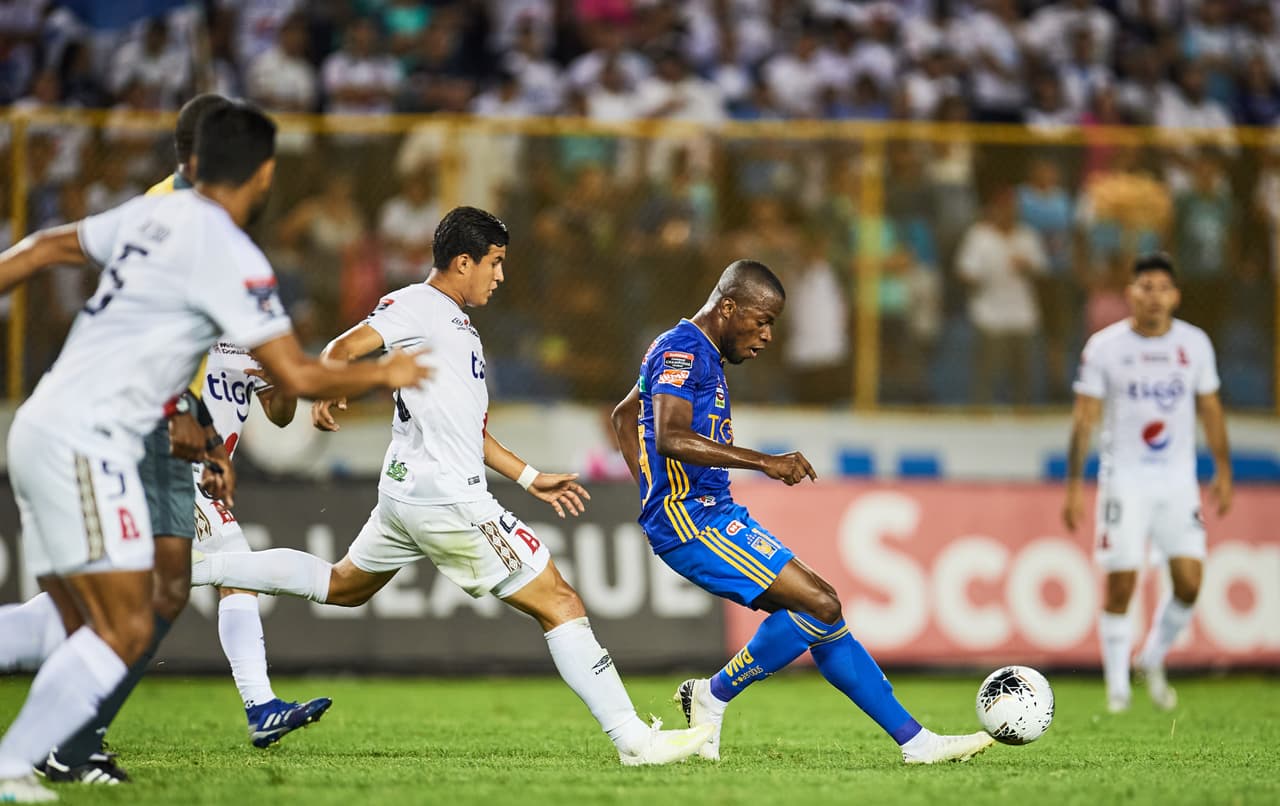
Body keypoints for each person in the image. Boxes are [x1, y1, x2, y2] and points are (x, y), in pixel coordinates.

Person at [0, 100, 430, 803]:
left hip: (47, 425)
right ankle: (19, 766)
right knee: (131, 618)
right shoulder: (232, 255)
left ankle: (37, 759)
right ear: (263, 177)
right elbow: (295, 376)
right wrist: (382, 373)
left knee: (73, 621)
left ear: (194, 162)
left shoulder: (151, 214)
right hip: (91, 441)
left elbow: (46, 246)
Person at [189, 206, 714, 767]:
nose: (501, 275)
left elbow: (472, 431)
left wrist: (531, 477)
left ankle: (190, 568)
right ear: (463, 262)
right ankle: (635, 741)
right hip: (447, 499)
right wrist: (327, 389)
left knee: (345, 585)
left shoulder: (455, 323)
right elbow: (342, 348)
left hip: (406, 494)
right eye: (495, 262)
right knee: (559, 601)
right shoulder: (418, 305)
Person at [609, 260, 995, 765]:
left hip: (713, 513)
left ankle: (917, 742)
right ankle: (714, 695)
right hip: (691, 520)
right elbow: (671, 435)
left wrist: (649, 486)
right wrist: (759, 463)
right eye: (761, 320)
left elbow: (623, 416)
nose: (767, 335)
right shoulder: (684, 351)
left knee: (823, 614)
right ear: (727, 307)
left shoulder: (690, 349)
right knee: (822, 604)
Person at [1062, 252, 1232, 714]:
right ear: (1130, 294)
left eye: (1162, 287)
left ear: (1175, 296)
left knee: (1190, 583)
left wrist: (1223, 468)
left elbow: (1210, 407)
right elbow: (1085, 418)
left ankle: (1151, 657)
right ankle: (1118, 689)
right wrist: (1075, 485)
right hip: (1125, 481)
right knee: (1121, 583)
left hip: (1178, 481)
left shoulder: (1194, 344)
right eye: (1145, 287)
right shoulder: (1105, 347)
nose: (1154, 295)